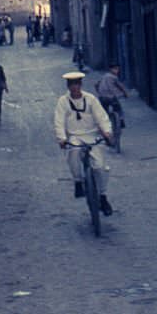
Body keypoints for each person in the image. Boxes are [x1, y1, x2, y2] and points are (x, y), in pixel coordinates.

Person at [54, 71, 114, 216]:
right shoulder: (63, 101)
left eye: (76, 84)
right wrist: (61, 138)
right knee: (73, 155)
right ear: (68, 86)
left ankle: (103, 196)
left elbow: (101, 116)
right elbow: (59, 121)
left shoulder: (91, 99)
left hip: (92, 136)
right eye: (71, 85)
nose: (74, 87)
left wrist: (107, 132)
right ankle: (78, 182)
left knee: (101, 167)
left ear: (80, 85)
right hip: (75, 136)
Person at [96, 63, 129, 128]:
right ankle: (121, 120)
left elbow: (96, 84)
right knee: (118, 108)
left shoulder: (104, 76)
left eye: (117, 69)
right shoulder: (114, 77)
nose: (117, 71)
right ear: (110, 69)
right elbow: (120, 86)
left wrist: (99, 92)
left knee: (104, 111)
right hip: (111, 97)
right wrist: (125, 93)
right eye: (115, 69)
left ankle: (105, 123)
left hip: (102, 97)